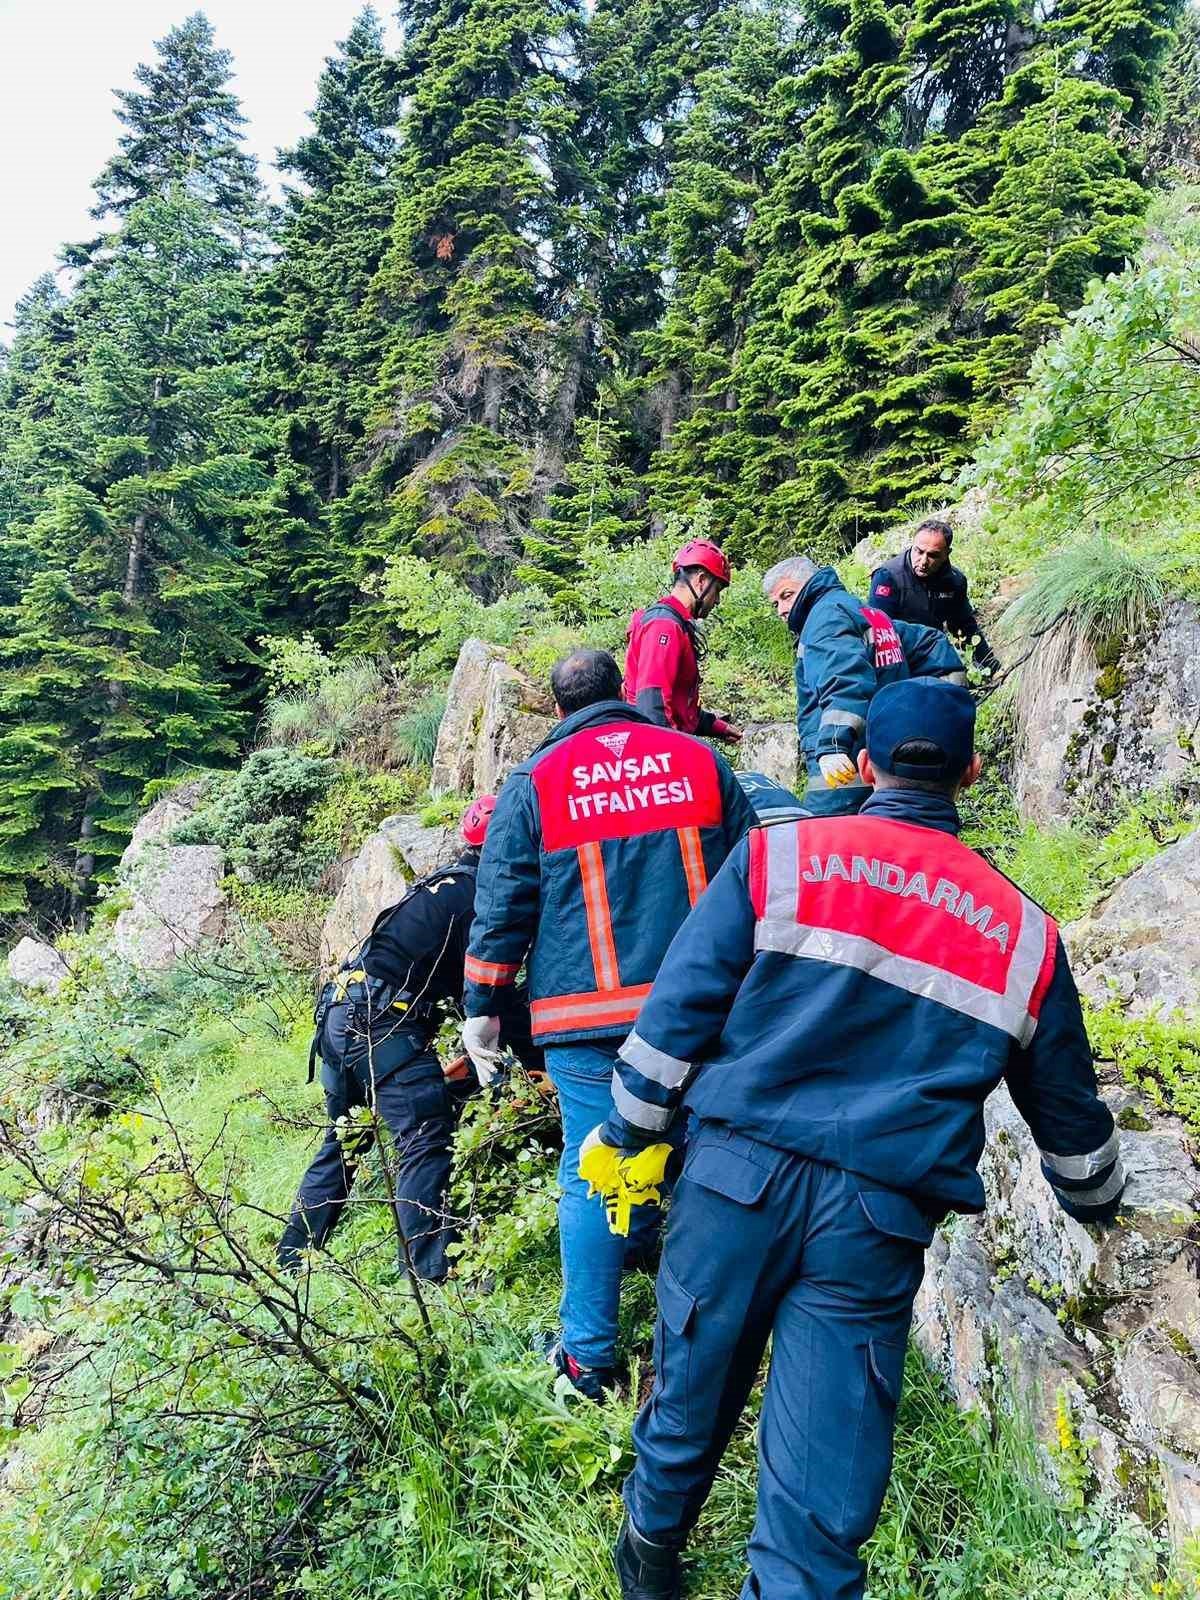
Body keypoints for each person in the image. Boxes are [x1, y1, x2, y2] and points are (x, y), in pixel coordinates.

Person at [585, 677, 1124, 1600]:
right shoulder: (1025, 934)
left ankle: (650, 1559)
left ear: (866, 763)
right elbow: (1071, 1124)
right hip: (875, 1220)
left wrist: (625, 1133)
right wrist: (1098, 1197)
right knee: (822, 1490)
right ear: (972, 773)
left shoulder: (778, 859)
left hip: (732, 1183)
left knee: (689, 1394)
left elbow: (676, 1017)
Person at [462, 647, 755, 1398]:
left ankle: (589, 1359)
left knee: (594, 1171)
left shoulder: (534, 784)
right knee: (702, 1161)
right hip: (702, 1012)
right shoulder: (697, 761)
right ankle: (702, 1350)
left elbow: (501, 910)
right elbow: (758, 868)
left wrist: (483, 1013)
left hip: (588, 1021)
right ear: (622, 693)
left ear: (559, 710)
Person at [278, 796, 538, 1281]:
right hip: (379, 1020)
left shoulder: (447, 886)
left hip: (341, 1014)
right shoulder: (484, 898)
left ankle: (292, 1259)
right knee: (424, 1132)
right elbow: (485, 995)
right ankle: (428, 1272)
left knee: (349, 1138)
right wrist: (531, 1053)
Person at [763, 555, 966, 817]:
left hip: (846, 764)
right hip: (885, 758)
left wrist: (832, 745)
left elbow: (845, 681)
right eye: (776, 603)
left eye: (787, 595)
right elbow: (931, 641)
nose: (781, 609)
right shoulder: (865, 612)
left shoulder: (824, 619)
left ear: (809, 583)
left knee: (827, 841)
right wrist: (945, 708)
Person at [624, 539, 742, 743]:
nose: (717, 600)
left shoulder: (673, 623)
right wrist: (673, 759)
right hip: (656, 751)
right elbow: (653, 706)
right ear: (702, 580)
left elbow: (679, 708)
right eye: (718, 590)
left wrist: (716, 727)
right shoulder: (664, 626)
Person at [869, 518, 1001, 676]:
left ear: (947, 554)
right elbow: (878, 633)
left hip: (933, 651)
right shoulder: (888, 576)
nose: (924, 561)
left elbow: (964, 626)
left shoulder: (955, 581)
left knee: (957, 683)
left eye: (933, 555)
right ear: (913, 544)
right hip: (897, 655)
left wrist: (990, 666)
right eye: (919, 551)